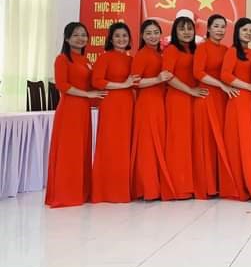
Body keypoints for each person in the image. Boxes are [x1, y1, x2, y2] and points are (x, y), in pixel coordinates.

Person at [45, 22, 107, 208]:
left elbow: (93, 84)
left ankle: (80, 192)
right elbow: (62, 85)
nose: (80, 38)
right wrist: (87, 94)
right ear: (67, 39)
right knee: (69, 151)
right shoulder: (62, 59)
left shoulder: (85, 60)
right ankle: (66, 194)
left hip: (83, 111)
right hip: (69, 110)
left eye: (83, 35)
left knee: (82, 150)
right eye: (76, 35)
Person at [192, 14, 239, 199]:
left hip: (223, 99)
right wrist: (221, 85)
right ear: (209, 28)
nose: (220, 30)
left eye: (223, 26)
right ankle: (207, 185)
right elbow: (198, 72)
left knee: (221, 142)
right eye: (216, 26)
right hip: (206, 98)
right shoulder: (202, 48)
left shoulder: (227, 50)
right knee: (207, 142)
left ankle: (220, 184)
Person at [91, 22, 138, 203]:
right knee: (110, 144)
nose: (121, 39)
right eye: (117, 36)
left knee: (125, 145)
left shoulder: (131, 60)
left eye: (124, 36)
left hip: (128, 104)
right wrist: (123, 85)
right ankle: (106, 191)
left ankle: (123, 189)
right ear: (110, 39)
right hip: (111, 104)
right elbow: (97, 81)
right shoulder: (105, 58)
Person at [130, 19, 175, 201]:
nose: (153, 36)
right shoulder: (141, 55)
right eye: (148, 33)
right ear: (142, 36)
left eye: (156, 32)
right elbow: (135, 82)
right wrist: (157, 79)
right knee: (147, 145)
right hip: (147, 103)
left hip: (160, 102)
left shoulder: (161, 54)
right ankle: (148, 188)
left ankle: (157, 186)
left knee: (159, 144)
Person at [163, 17, 207, 200]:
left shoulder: (195, 50)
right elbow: (167, 76)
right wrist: (190, 90)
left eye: (190, 28)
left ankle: (192, 185)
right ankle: (178, 187)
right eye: (182, 29)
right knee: (179, 142)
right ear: (175, 31)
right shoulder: (171, 50)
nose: (187, 32)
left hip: (193, 100)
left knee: (191, 142)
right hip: (178, 99)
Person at [221, 18, 251, 201]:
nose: (248, 33)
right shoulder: (232, 52)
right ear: (237, 31)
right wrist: (248, 86)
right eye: (245, 29)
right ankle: (241, 186)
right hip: (239, 100)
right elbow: (225, 75)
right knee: (241, 144)